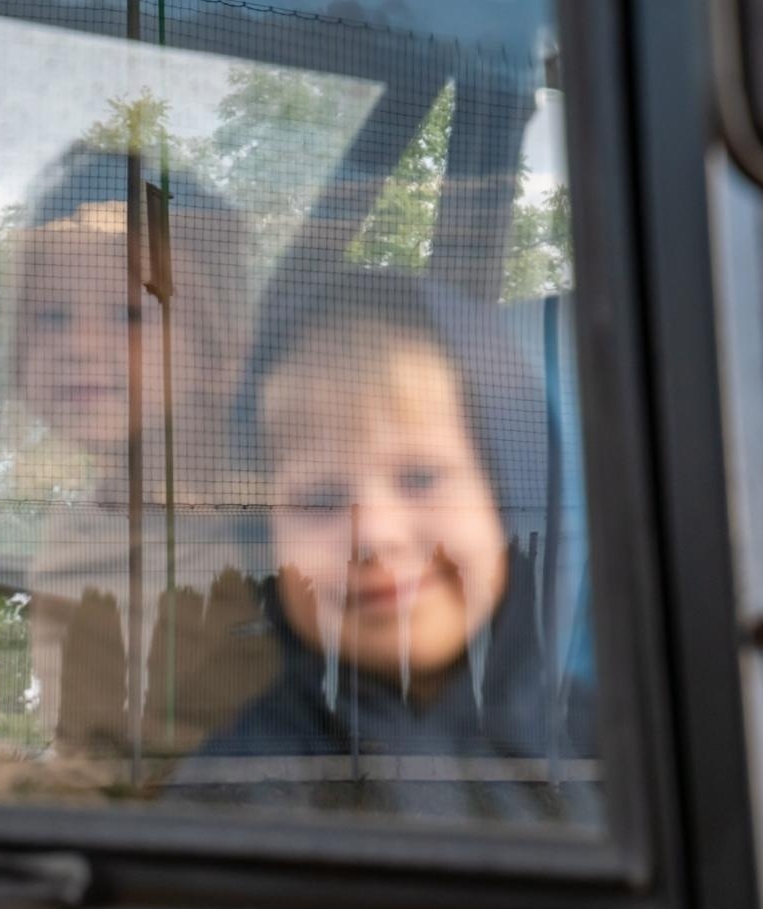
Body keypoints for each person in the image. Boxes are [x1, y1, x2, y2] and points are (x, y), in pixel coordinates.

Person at [169, 267, 597, 825]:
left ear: (513, 496)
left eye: (421, 479)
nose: (374, 533)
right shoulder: (236, 796)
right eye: (321, 500)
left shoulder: (626, 750)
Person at [0, 146, 275, 800]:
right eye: (52, 315)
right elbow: (98, 751)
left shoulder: (264, 534)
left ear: (218, 350)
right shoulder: (76, 530)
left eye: (127, 313)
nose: (80, 345)